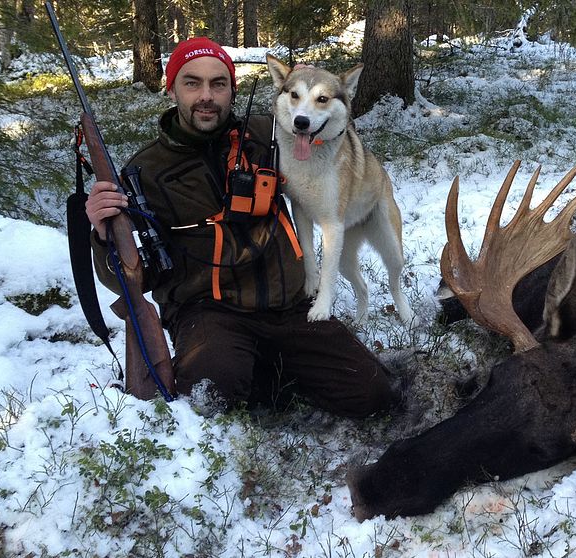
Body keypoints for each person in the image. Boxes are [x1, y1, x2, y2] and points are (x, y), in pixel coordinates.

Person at [86, 37, 395, 416]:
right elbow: (127, 279)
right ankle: (257, 370)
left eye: (218, 84)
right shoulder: (144, 172)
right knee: (212, 394)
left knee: (375, 395)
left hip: (287, 307)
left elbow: (318, 115)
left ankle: (269, 369)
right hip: (210, 314)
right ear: (171, 89)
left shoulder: (268, 134)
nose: (206, 96)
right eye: (192, 83)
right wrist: (103, 234)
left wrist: (308, 91)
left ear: (232, 89)